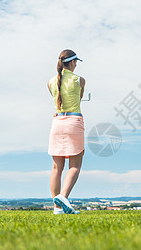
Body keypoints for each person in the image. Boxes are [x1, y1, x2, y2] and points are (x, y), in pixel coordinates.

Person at [47, 49, 86, 214]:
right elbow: (79, 98)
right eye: (75, 62)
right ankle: (63, 196)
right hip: (73, 122)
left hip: (57, 122)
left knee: (57, 167)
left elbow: (57, 99)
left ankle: (57, 208)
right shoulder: (80, 80)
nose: (76, 65)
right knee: (75, 165)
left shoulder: (50, 82)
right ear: (71, 62)